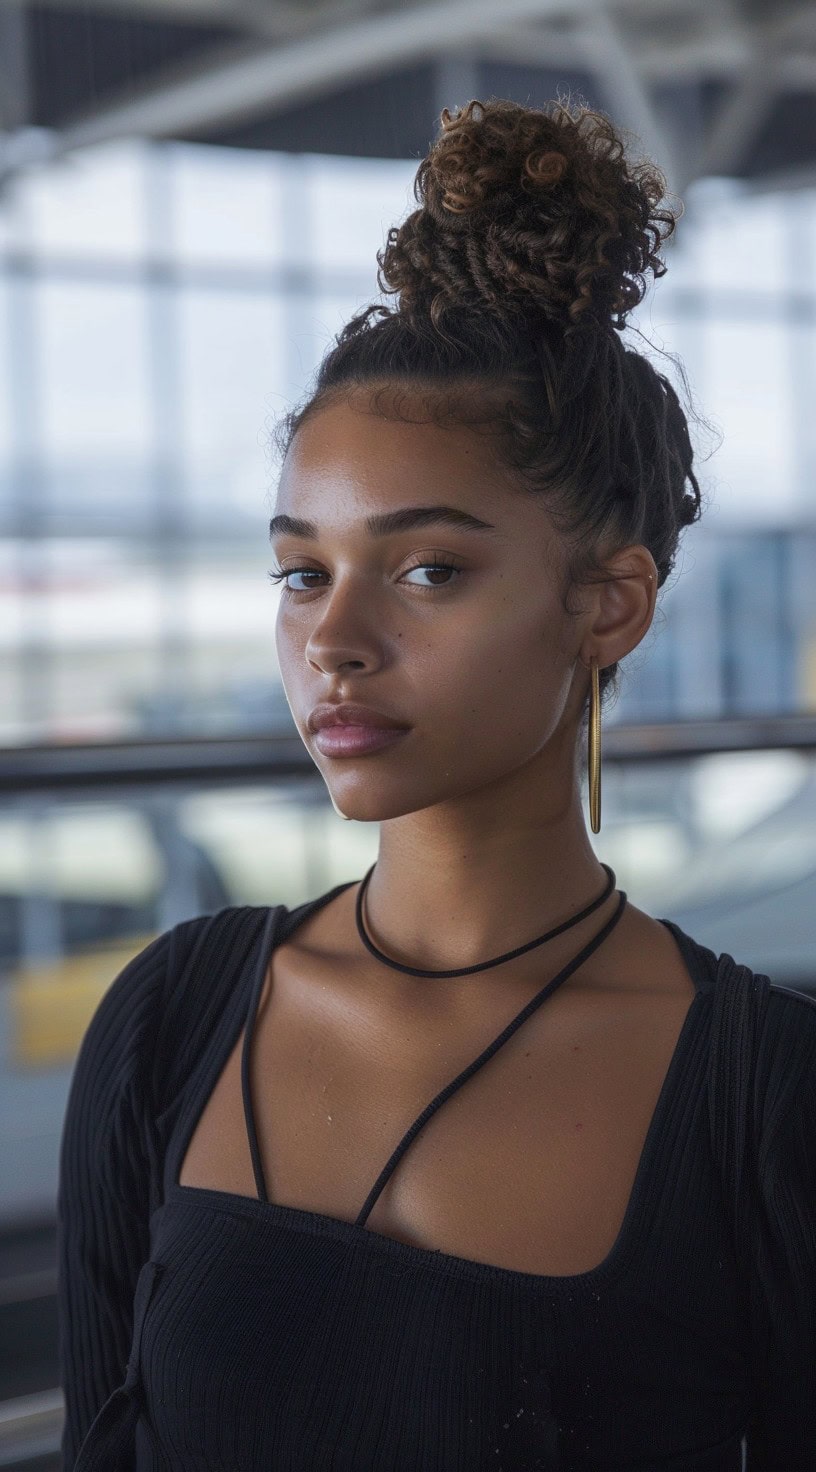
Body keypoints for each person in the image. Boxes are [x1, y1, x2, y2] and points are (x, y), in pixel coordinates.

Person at [57, 97, 816, 1470]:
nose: (331, 641)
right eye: (302, 570)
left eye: (426, 570)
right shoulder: (173, 1019)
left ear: (610, 603)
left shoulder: (763, 1099)